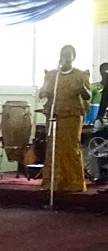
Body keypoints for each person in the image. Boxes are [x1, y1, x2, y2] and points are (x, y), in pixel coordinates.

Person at [39, 44, 90, 193]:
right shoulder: (52, 75)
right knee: (53, 147)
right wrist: (42, 90)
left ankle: (73, 183)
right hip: (54, 115)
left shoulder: (80, 75)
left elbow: (87, 96)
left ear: (74, 57)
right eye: (64, 54)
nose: (66, 57)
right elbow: (42, 94)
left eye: (69, 54)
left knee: (70, 146)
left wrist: (82, 89)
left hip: (72, 115)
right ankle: (52, 182)